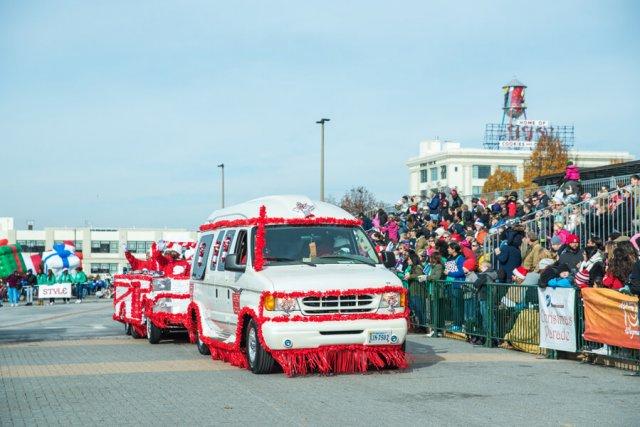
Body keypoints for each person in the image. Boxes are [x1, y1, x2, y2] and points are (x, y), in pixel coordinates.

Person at [445, 242, 466, 331]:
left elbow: (462, 272)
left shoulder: (460, 258)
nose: (447, 249)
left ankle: (458, 324)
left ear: (453, 249)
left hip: (457, 284)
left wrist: (449, 273)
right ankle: (455, 322)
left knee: (457, 305)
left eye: (449, 248)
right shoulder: (449, 258)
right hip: (449, 284)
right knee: (453, 305)